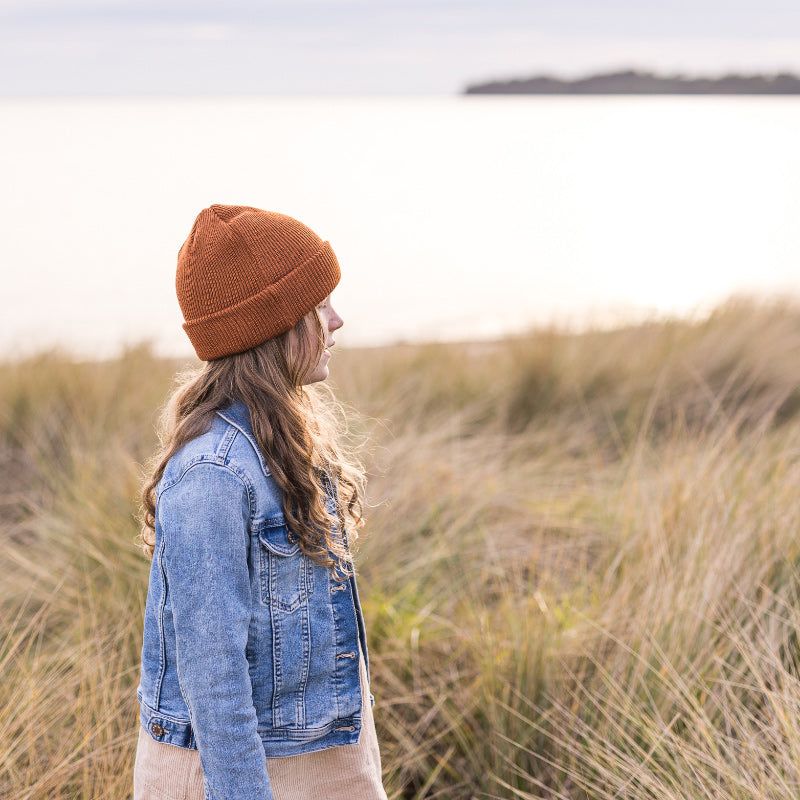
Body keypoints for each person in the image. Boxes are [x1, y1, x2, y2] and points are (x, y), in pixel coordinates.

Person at [133, 204, 387, 800]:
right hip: (246, 775)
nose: (338, 320)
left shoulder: (282, 441)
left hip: (319, 756)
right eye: (319, 305)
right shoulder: (211, 474)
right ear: (275, 325)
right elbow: (213, 682)